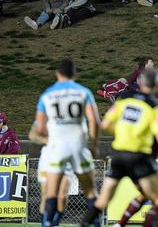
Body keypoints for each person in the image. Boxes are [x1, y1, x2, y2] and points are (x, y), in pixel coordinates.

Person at [81, 69, 158, 227]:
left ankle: (86, 224)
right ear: (157, 85)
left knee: (102, 201)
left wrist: (122, 134)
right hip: (140, 157)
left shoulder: (123, 99)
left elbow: (106, 124)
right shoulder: (157, 106)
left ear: (140, 83)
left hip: (118, 155)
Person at [34, 59, 100, 227]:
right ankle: (96, 223)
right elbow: (95, 121)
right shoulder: (83, 92)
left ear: (57, 73)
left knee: (51, 194)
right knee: (91, 192)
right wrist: (94, 144)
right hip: (78, 146)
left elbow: (40, 128)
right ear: (75, 74)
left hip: (57, 148)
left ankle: (48, 223)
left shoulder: (47, 95)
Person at [29, 121, 72, 227]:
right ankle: (46, 224)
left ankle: (55, 222)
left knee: (62, 196)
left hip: (66, 156)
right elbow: (32, 135)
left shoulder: (73, 110)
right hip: (48, 157)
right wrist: (46, 140)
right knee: (46, 195)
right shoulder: (46, 112)